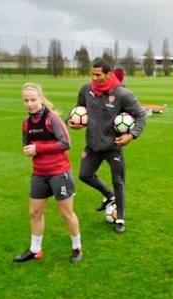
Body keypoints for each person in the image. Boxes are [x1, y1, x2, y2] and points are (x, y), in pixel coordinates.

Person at [68, 59, 146, 234]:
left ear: (109, 75)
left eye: (98, 75)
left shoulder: (122, 94)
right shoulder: (86, 90)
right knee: (84, 175)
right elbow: (78, 108)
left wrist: (131, 135)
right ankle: (109, 196)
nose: (94, 78)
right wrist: (70, 120)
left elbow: (141, 115)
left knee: (119, 181)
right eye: (92, 74)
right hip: (92, 145)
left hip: (113, 146)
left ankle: (120, 218)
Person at [13, 82, 83, 263]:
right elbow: (27, 144)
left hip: (59, 173)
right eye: (26, 100)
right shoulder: (26, 123)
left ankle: (77, 247)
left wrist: (38, 148)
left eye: (33, 99)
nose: (29, 104)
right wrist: (28, 149)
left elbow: (66, 143)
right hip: (39, 174)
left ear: (40, 99)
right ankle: (35, 250)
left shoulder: (52, 118)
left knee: (66, 213)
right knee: (34, 213)